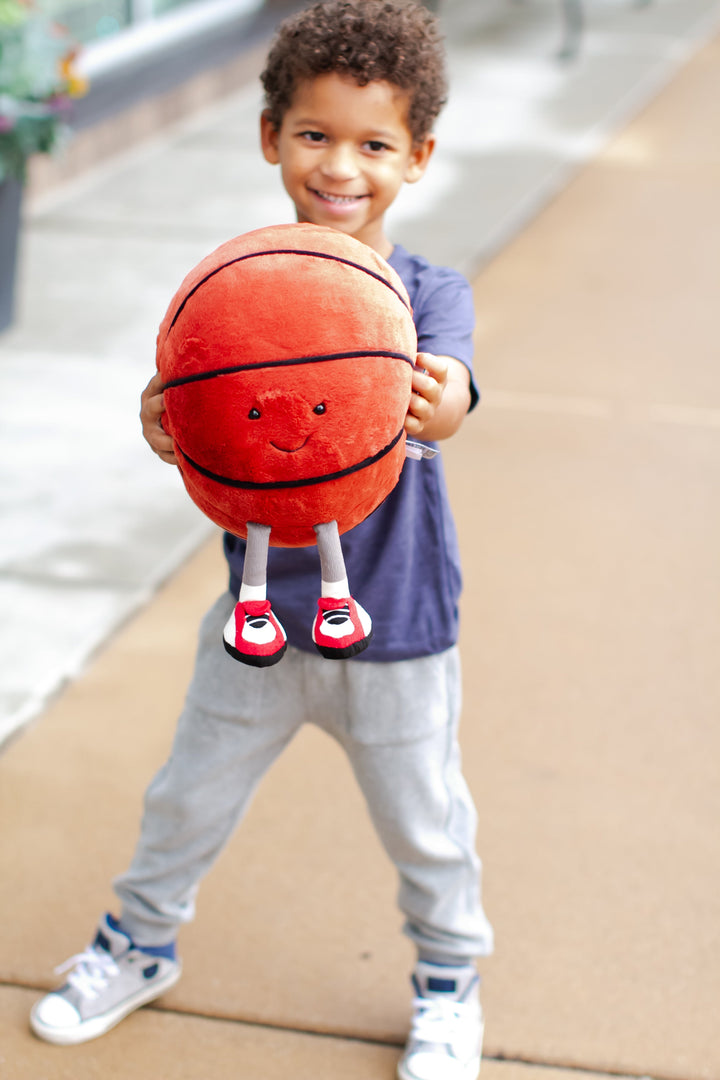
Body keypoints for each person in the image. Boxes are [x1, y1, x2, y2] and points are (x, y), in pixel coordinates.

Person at [30, 2, 494, 1076]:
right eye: (314, 135)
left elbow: (455, 392)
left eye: (375, 144)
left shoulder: (428, 295)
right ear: (270, 137)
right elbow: (188, 411)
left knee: (428, 826)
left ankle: (448, 977)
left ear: (418, 156)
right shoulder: (232, 295)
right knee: (184, 797)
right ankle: (139, 944)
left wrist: (440, 399)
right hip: (255, 623)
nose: (341, 166)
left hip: (399, 631)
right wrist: (162, 421)